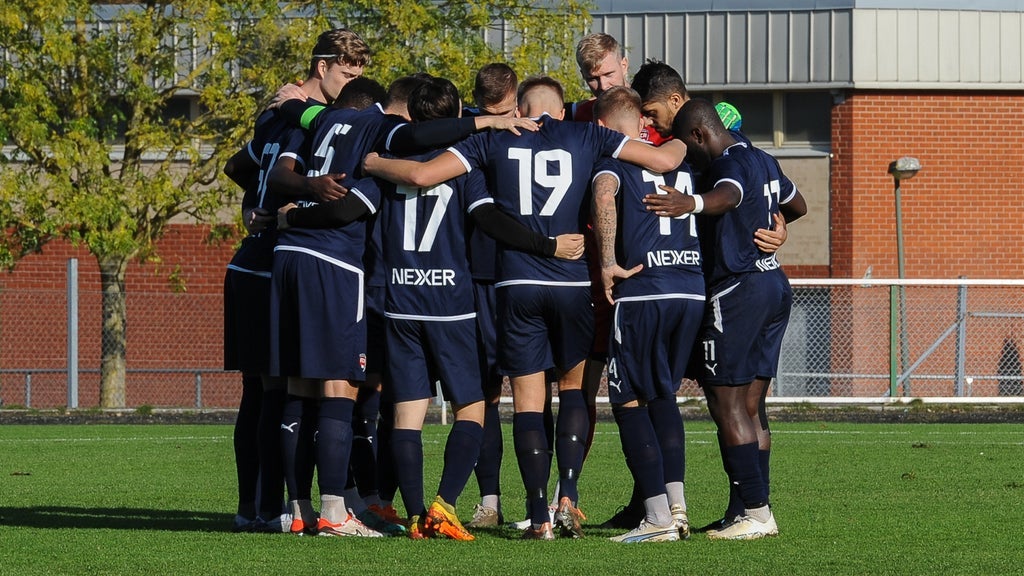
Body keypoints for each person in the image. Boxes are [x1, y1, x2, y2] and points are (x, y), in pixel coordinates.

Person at [364, 75, 686, 540]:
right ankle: (567, 496)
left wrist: (375, 162)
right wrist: (692, 130)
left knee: (528, 402)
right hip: (572, 281)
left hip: (516, 284)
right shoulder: (586, 133)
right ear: (559, 111)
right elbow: (661, 158)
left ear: (519, 109)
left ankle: (537, 517)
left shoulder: (492, 139)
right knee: (574, 391)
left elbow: (420, 175)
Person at [220, 27, 368, 534]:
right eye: (347, 74)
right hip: (269, 267)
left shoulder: (282, 111)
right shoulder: (302, 115)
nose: (352, 85)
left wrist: (252, 205)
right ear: (323, 66)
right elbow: (271, 173)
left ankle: (263, 508)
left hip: (259, 264)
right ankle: (274, 508)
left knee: (267, 393)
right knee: (279, 391)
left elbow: (239, 164)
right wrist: (292, 195)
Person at [643, 98, 807, 540]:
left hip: (737, 291)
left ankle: (756, 513)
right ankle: (753, 508)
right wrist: (777, 225)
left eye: (685, 142)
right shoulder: (762, 156)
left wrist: (690, 203)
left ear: (699, 134)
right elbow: (799, 204)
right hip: (773, 284)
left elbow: (729, 195)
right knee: (752, 406)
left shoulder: (725, 163)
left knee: (727, 404)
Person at [589, 86, 705, 543]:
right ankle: (676, 509)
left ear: (602, 127)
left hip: (644, 293)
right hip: (690, 290)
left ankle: (656, 518)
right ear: (640, 123)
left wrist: (606, 263)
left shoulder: (613, 162)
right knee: (663, 397)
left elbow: (602, 195)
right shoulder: (683, 160)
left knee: (627, 399)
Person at [461, 63, 520, 530]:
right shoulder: (466, 132)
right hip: (480, 276)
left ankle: (559, 500)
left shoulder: (545, 128)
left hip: (530, 276)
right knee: (485, 396)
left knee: (536, 393)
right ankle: (491, 501)